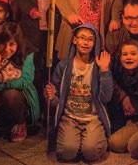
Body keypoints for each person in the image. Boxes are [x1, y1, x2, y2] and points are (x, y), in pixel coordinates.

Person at [45, 24, 113, 163]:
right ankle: (74, 140)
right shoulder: (64, 66)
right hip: (70, 117)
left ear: (95, 43)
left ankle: (96, 140)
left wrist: (105, 71)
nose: (86, 42)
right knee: (67, 152)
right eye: (82, 38)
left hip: (92, 118)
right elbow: (56, 94)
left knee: (91, 153)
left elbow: (106, 97)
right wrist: (51, 97)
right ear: (75, 40)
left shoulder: (98, 66)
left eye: (90, 39)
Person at [13, 0, 62, 108]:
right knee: (35, 68)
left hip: (55, 26)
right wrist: (30, 9)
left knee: (53, 67)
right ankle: (36, 108)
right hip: (33, 27)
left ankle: (53, 105)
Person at [0, 23, 40, 143]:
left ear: (18, 43)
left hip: (21, 96)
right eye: (2, 44)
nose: (6, 49)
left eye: (11, 44)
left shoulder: (27, 53)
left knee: (10, 94)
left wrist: (1, 84)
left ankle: (20, 123)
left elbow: (26, 80)